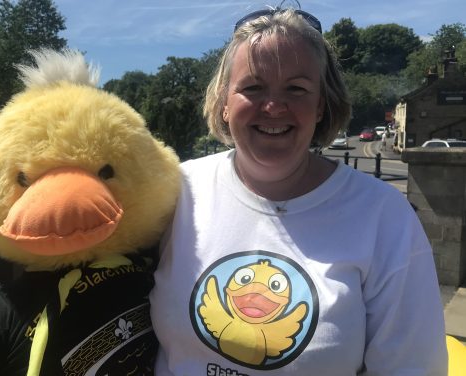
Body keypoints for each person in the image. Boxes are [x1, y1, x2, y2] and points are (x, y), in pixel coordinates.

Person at [149, 4, 447, 375]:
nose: (274, 106)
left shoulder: (383, 216)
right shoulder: (176, 191)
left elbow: (412, 366)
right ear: (224, 102)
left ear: (321, 105)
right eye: (253, 87)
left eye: (296, 88)